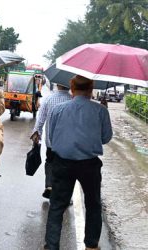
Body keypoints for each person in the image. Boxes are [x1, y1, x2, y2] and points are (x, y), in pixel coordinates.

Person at [44, 75, 112, 250]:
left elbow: (51, 137)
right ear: (91, 91)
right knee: (93, 205)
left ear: (72, 89)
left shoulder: (57, 110)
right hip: (89, 165)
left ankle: (52, 246)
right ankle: (91, 245)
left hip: (62, 163)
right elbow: (105, 138)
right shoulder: (100, 111)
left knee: (57, 206)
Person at [31, 83, 71, 199]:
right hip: (68, 143)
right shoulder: (72, 100)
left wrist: (36, 133)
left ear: (57, 85)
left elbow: (41, 120)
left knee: (50, 161)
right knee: (65, 166)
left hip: (51, 141)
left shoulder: (49, 99)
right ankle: (62, 193)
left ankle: (49, 185)